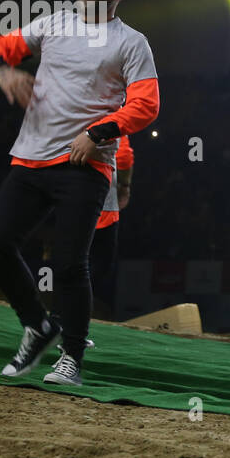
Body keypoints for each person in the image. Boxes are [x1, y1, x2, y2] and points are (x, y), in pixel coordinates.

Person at [0, 0, 159, 386]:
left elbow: (147, 104)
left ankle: (72, 358)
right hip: (30, 157)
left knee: (68, 262)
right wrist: (4, 70)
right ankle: (38, 326)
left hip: (85, 164)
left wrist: (97, 133)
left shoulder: (132, 43)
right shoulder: (53, 23)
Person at [89, 134, 132, 320]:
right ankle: (74, 318)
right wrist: (125, 186)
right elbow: (124, 157)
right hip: (102, 197)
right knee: (99, 264)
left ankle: (65, 314)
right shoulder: (115, 114)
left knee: (75, 260)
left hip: (65, 193)